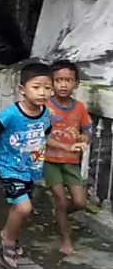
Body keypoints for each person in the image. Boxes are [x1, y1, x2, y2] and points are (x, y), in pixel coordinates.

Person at [0, 63, 53, 269]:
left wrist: (69, 146)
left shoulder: (46, 114)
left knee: (18, 206)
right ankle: (7, 241)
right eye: (36, 87)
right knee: (24, 206)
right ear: (22, 89)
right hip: (8, 168)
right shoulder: (10, 114)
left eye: (47, 87)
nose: (42, 92)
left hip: (31, 170)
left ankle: (8, 235)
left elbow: (44, 138)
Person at [45, 60, 92, 255]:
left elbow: (87, 130)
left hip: (71, 161)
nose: (63, 85)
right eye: (58, 80)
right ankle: (66, 238)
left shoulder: (79, 108)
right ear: (52, 83)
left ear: (76, 84)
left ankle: (59, 215)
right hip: (50, 160)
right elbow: (42, 135)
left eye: (68, 80)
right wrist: (66, 145)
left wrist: (84, 138)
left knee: (80, 202)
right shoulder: (46, 106)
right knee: (61, 200)